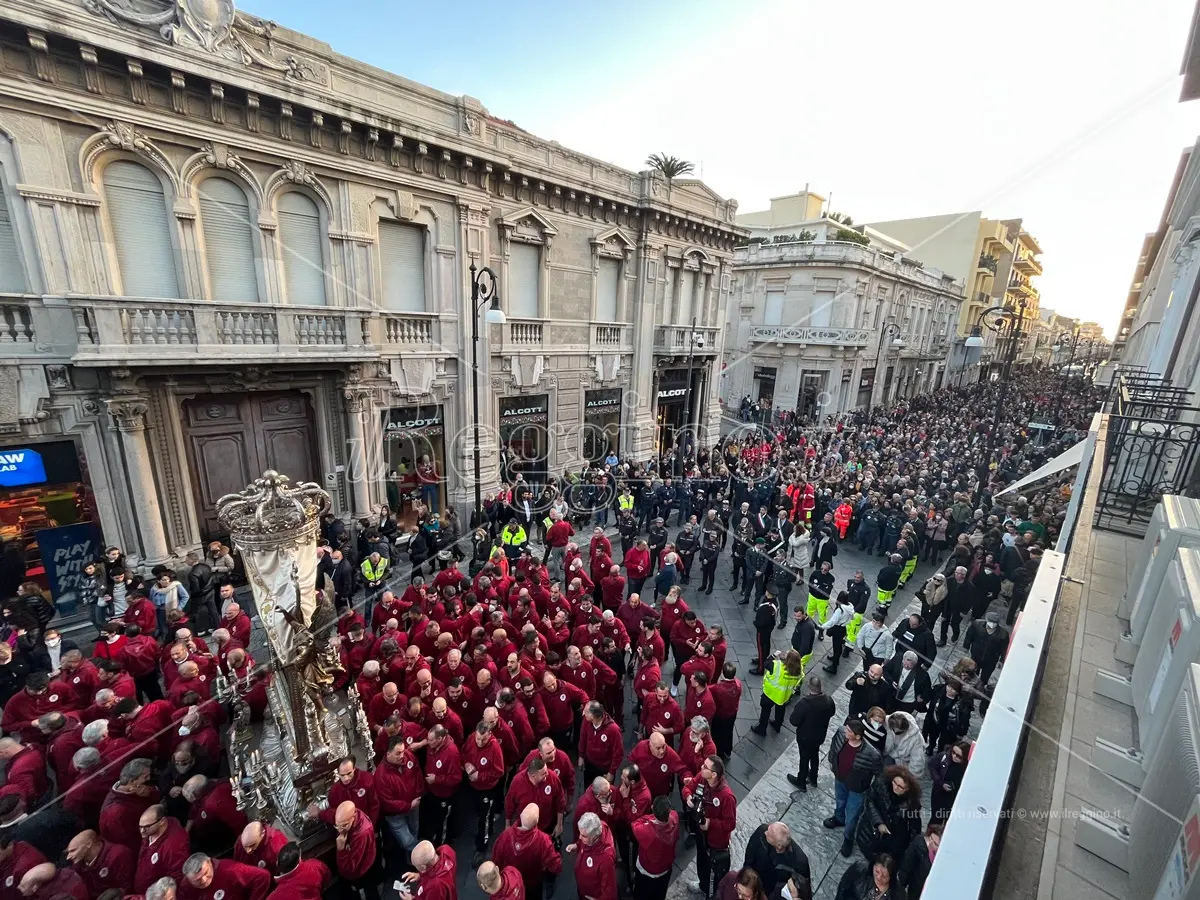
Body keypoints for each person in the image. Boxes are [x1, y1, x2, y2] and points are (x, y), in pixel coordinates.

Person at [824, 720, 882, 858]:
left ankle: (848, 838)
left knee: (852, 815)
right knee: (840, 801)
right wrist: (832, 762)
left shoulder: (872, 754)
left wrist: (869, 789)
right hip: (840, 779)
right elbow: (834, 748)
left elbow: (879, 774)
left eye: (849, 731)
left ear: (858, 736)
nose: (845, 731)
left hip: (857, 789)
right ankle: (839, 818)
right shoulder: (840, 733)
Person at [492, 803, 562, 900]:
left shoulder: (505, 836)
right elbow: (556, 865)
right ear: (537, 820)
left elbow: (496, 860)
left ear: (521, 815)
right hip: (532, 884)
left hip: (510, 884)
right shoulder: (543, 840)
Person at [854, 765, 922, 861]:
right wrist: (878, 822)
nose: (896, 787)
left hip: (893, 840)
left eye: (900, 787)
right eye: (895, 782)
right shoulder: (881, 784)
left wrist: (909, 849)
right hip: (870, 831)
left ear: (907, 789)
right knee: (868, 853)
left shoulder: (912, 804)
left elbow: (914, 827)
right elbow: (870, 800)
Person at [787, 676, 837, 792]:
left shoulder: (804, 703)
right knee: (814, 754)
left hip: (805, 737)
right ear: (821, 687)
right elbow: (832, 712)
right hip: (820, 735)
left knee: (804, 758)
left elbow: (794, 721)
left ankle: (801, 781)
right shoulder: (829, 700)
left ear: (809, 686)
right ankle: (813, 777)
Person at [742, 823, 810, 900]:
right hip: (756, 879)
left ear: (779, 846)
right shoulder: (761, 832)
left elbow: (803, 891)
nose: (765, 833)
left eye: (769, 834)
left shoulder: (800, 862)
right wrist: (746, 879)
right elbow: (749, 856)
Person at [630, 796, 678, 900]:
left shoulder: (648, 832)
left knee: (640, 895)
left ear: (653, 808)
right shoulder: (675, 816)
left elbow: (635, 824)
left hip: (646, 872)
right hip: (665, 869)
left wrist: (648, 818)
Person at [751, 649, 804, 736]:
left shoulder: (777, 666)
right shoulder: (799, 669)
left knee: (765, 711)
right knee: (780, 710)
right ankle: (777, 725)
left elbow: (766, 663)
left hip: (770, 694)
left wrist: (773, 655)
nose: (785, 653)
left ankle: (762, 729)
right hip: (784, 695)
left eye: (787, 654)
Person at [568, 812, 616, 900]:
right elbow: (582, 840)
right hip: (583, 889)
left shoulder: (606, 860)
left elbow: (609, 890)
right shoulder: (597, 826)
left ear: (595, 837)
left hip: (592, 895)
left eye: (584, 836)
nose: (580, 837)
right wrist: (577, 845)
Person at [923, 678, 970, 754]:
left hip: (949, 725)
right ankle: (931, 747)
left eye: (953, 689)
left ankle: (940, 753)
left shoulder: (962, 703)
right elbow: (931, 705)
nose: (950, 690)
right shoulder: (939, 692)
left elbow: (964, 718)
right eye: (949, 686)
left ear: (958, 692)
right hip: (936, 720)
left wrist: (962, 732)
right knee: (932, 736)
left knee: (944, 742)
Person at [963, 611, 1010, 686]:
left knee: (984, 678)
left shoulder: (1003, 634)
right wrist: (966, 646)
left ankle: (980, 687)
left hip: (991, 660)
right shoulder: (977, 625)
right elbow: (969, 635)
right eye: (991, 621)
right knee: (973, 673)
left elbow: (1004, 648)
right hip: (976, 655)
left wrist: (1001, 660)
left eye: (995, 622)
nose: (992, 624)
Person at [930, 740, 970, 822]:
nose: (954, 756)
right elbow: (932, 766)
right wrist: (941, 783)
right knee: (936, 818)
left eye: (959, 756)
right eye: (953, 752)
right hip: (939, 793)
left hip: (955, 798)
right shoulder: (944, 757)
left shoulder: (968, 767)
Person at [898, 822, 942, 897]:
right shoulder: (918, 844)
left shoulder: (943, 857)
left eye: (935, 843)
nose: (930, 843)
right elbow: (906, 866)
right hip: (916, 891)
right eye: (930, 838)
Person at [834, 854, 901, 900]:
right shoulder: (860, 868)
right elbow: (843, 888)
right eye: (877, 871)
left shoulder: (895, 894)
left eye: (884, 876)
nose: (879, 877)